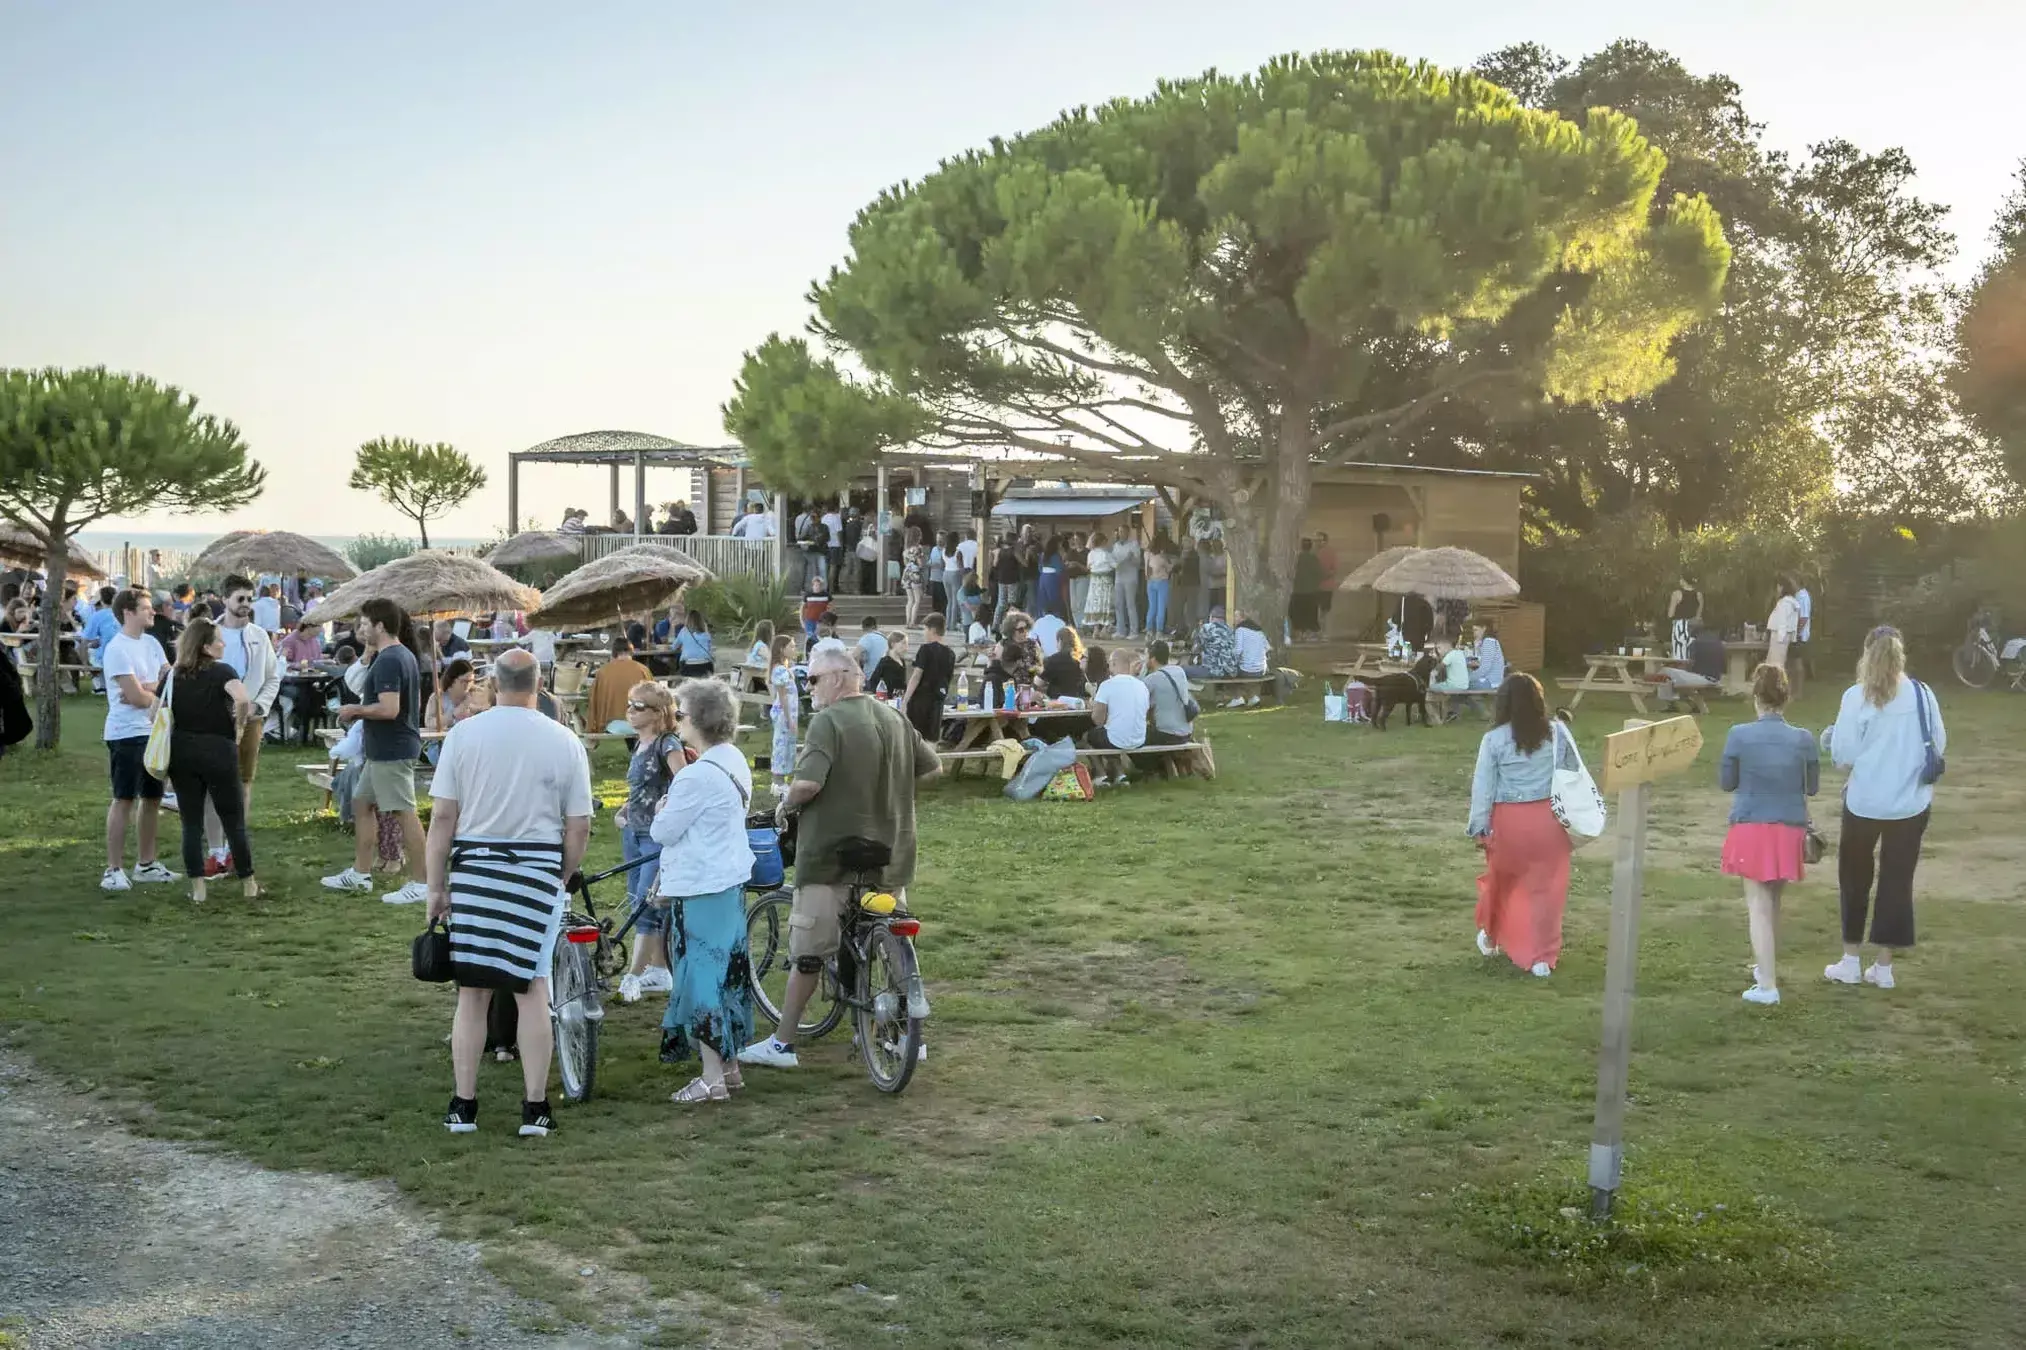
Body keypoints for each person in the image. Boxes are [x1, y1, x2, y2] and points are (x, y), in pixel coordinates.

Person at [741, 646, 941, 1070]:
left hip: (832, 857)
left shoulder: (828, 722)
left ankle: (782, 1043)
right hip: (890, 853)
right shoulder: (894, 718)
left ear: (837, 677)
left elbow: (808, 785)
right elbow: (932, 767)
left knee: (808, 953)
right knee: (893, 941)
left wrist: (784, 806)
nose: (808, 687)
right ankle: (908, 1035)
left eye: (812, 679)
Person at [429, 648, 593, 1138]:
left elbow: (443, 817)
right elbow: (579, 825)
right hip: (537, 869)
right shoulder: (564, 740)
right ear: (539, 685)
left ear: (494, 684)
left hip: (476, 868)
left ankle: (463, 1105)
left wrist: (436, 886)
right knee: (533, 989)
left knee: (472, 992)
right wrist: (562, 874)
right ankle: (535, 1107)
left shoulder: (463, 736)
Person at [653, 678, 759, 1102]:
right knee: (728, 976)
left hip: (701, 887)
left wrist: (662, 808)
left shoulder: (695, 776)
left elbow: (663, 831)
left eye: (680, 713)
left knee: (702, 981)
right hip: (728, 882)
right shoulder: (733, 759)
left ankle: (712, 1077)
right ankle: (729, 1068)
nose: (676, 720)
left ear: (699, 720)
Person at [1823, 626, 1944, 991]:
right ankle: (1884, 966)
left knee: (1854, 879)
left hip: (1865, 801)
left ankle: (1850, 960)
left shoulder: (1856, 697)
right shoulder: (1922, 694)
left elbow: (1843, 755)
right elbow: (1938, 743)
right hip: (1909, 803)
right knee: (1897, 881)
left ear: (1866, 654)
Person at [1719, 664, 1820, 1006]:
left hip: (1752, 825)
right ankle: (1765, 969)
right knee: (1773, 901)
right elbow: (1812, 787)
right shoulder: (1803, 738)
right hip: (1789, 827)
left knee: (1758, 905)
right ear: (1786, 697)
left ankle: (1767, 985)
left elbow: (1727, 782)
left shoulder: (1739, 735)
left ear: (1756, 696)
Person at [1467, 673, 1579, 977]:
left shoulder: (1493, 740)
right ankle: (1542, 957)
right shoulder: (1557, 733)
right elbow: (1572, 773)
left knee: (1502, 884)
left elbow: (1483, 786)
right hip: (1550, 820)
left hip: (1509, 821)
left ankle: (1492, 936)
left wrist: (1479, 826)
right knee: (1547, 890)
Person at [322, 598, 427, 904]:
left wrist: (354, 710)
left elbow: (389, 709)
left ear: (380, 626)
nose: (362, 629)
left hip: (392, 750)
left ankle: (423, 883)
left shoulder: (390, 660)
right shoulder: (399, 655)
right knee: (362, 803)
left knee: (404, 813)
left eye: (366, 624)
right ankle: (360, 873)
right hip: (384, 749)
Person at [166, 616, 261, 903]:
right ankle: (248, 883)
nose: (223, 644)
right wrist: (239, 726)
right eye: (219, 640)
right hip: (219, 749)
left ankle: (198, 889)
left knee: (190, 823)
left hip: (182, 750)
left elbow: (154, 712)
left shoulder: (173, 675)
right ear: (206, 647)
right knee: (233, 820)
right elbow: (242, 700)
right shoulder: (222, 671)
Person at [100, 589, 177, 892]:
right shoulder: (117, 649)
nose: (152, 612)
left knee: (153, 797)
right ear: (128, 612)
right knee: (124, 799)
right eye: (146, 608)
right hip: (126, 734)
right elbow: (134, 697)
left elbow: (168, 681)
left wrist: (148, 688)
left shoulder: (152, 643)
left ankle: (146, 863)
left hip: (154, 732)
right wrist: (151, 692)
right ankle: (113, 869)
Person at [203, 576, 280, 878]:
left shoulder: (259, 636)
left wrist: (258, 706)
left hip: (250, 720)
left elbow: (272, 677)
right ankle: (215, 851)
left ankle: (236, 847)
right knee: (213, 785)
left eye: (249, 599)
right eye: (240, 599)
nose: (246, 604)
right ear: (225, 600)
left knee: (242, 783)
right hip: (213, 719)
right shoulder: (209, 634)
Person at [617, 681, 687, 1003]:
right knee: (637, 901)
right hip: (633, 833)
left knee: (646, 904)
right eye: (630, 704)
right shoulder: (640, 742)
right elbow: (643, 788)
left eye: (638, 706)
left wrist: (665, 812)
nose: (630, 711)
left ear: (659, 713)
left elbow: (684, 784)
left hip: (655, 837)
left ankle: (632, 976)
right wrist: (626, 809)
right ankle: (659, 970)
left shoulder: (667, 743)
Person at [1085, 646, 1149, 786]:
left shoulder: (1107, 685)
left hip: (1118, 738)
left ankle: (1101, 775)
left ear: (1113, 663)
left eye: (1109, 664)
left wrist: (1094, 705)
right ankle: (1120, 775)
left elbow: (1097, 720)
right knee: (1109, 733)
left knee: (1089, 737)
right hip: (1139, 738)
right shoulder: (1142, 686)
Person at [904, 612, 954, 743]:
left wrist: (905, 700)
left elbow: (916, 676)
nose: (924, 633)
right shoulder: (950, 653)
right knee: (932, 738)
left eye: (925, 629)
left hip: (921, 698)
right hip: (938, 699)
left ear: (932, 629)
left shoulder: (925, 649)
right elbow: (948, 678)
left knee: (916, 737)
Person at [1140, 640, 1197, 753]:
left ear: (1152, 659)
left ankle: (1154, 763)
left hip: (1167, 735)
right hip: (1186, 732)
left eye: (1145, 656)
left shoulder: (1152, 679)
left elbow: (1137, 697)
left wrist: (1143, 671)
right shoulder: (1179, 671)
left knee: (1132, 737)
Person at [589, 637, 653, 731]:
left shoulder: (603, 672)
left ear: (614, 652)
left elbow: (594, 700)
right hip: (641, 724)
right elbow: (654, 697)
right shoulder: (643, 670)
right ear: (631, 651)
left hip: (611, 726)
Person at [1663, 621, 1726, 713]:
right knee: (1675, 681)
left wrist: (1679, 670)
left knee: (1665, 672)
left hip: (1701, 678)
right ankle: (1694, 706)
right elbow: (1724, 666)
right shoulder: (1719, 644)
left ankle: (1672, 704)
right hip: (1715, 678)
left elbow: (1689, 664)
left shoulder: (1695, 644)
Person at [765, 633, 800, 795]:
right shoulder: (779, 670)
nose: (794, 649)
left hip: (789, 713)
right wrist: (789, 719)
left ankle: (782, 780)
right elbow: (783, 696)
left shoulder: (785, 668)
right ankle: (777, 781)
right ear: (781, 649)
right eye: (791, 646)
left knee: (787, 745)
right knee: (781, 745)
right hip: (784, 714)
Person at [423, 658, 480, 759]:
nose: (467, 685)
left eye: (471, 681)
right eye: (464, 681)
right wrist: (453, 715)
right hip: (441, 745)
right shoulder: (438, 697)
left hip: (470, 745)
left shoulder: (477, 695)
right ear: (452, 680)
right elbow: (429, 723)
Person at [1184, 606, 1237, 680]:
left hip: (1213, 671)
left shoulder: (1207, 628)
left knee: (1181, 670)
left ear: (1211, 617)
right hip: (1230, 672)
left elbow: (1196, 649)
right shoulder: (1230, 630)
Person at [1110, 528, 1142, 640]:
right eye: (1120, 532)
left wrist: (1130, 559)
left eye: (1123, 531)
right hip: (1119, 578)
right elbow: (1113, 560)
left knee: (1130, 604)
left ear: (1128, 533)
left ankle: (1134, 631)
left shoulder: (1134, 544)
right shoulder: (1116, 546)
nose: (1121, 533)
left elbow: (1138, 562)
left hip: (1130, 578)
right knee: (1118, 604)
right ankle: (1120, 630)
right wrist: (1117, 563)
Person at [1765, 576, 1801, 675]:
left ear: (1783, 587)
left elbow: (1782, 621)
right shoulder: (1790, 602)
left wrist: (1780, 638)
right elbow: (1793, 622)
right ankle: (1775, 680)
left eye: (1779, 586)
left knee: (1775, 664)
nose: (1777, 589)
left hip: (1779, 636)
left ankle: (1775, 681)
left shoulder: (1785, 603)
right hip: (1783, 636)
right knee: (1776, 663)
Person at [1041, 626, 1089, 699]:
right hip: (1077, 700)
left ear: (1060, 641)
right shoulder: (1082, 659)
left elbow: (1038, 683)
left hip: (1057, 701)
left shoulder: (1053, 660)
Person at [1083, 531, 1116, 636]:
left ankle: (1096, 629)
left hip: (1094, 581)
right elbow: (1115, 565)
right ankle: (1104, 629)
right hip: (1105, 580)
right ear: (1102, 542)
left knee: (1095, 603)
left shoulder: (1091, 554)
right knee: (1105, 603)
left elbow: (1088, 567)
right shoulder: (1106, 554)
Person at [1291, 538, 1324, 639]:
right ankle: (1311, 633)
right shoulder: (1313, 558)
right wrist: (1315, 585)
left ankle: (1300, 632)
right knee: (1311, 613)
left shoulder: (1296, 559)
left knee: (1298, 613)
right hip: (1311, 592)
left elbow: (1291, 573)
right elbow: (1319, 574)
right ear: (1310, 547)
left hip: (1298, 591)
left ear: (1301, 546)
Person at [1667, 574, 1702, 660]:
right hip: (1693, 627)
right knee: (1691, 654)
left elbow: (1670, 614)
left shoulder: (1677, 594)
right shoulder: (1699, 595)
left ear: (1684, 581)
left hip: (1680, 626)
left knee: (1679, 654)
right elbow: (1698, 615)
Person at [672, 611, 715, 679]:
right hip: (706, 666)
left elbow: (674, 647)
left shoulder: (683, 631)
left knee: (677, 671)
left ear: (687, 620)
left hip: (688, 667)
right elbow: (709, 649)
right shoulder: (706, 633)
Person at [991, 536, 1022, 626]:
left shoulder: (999, 551)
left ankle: (995, 624)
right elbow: (1024, 563)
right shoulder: (1014, 551)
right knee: (1012, 603)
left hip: (1001, 580)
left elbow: (995, 564)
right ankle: (1010, 624)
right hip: (1012, 580)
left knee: (1001, 603)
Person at [1144, 538, 1172, 637]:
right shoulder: (1161, 558)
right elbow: (1169, 568)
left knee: (1152, 607)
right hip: (1162, 582)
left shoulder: (1147, 555)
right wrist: (1168, 559)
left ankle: (1149, 629)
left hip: (1150, 582)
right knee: (1161, 607)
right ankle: (1159, 630)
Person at [902, 527, 929, 627]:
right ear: (917, 536)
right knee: (917, 600)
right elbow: (920, 563)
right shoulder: (918, 548)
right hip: (915, 574)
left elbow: (905, 563)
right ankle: (913, 622)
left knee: (910, 600)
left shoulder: (906, 550)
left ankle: (907, 622)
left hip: (906, 574)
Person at [868, 631, 909, 699]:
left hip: (899, 697)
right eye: (903, 643)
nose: (906, 647)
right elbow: (873, 681)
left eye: (907, 644)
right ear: (893, 644)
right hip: (888, 698)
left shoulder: (901, 660)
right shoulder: (885, 662)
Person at [1035, 536, 1067, 620]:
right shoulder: (1056, 555)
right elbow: (1059, 569)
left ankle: (1043, 618)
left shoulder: (1043, 554)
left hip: (1043, 578)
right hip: (1052, 578)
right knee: (1054, 599)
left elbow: (1040, 568)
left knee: (1043, 599)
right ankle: (1056, 618)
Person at [1469, 620, 1506, 693]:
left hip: (1490, 682)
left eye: (1476, 630)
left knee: (1461, 685)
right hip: (1490, 681)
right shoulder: (1487, 641)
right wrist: (1476, 647)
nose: (1474, 633)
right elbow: (1483, 661)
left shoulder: (1489, 641)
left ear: (1484, 628)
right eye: (1473, 631)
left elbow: (1485, 668)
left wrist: (1469, 678)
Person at [854, 616, 889, 687]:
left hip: (871, 678)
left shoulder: (867, 638)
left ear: (863, 627)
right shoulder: (884, 638)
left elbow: (854, 655)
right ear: (876, 626)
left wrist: (859, 673)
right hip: (885, 677)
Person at [799, 575, 829, 647]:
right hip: (809, 621)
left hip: (821, 621)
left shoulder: (826, 595)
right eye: (815, 585)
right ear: (813, 586)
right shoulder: (808, 595)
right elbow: (802, 608)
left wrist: (828, 621)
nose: (817, 587)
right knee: (810, 638)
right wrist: (802, 621)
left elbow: (831, 607)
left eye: (819, 585)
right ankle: (808, 652)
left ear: (821, 586)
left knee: (820, 638)